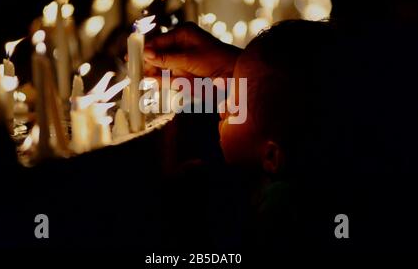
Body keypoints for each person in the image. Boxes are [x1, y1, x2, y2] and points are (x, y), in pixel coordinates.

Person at [144, 20, 343, 252]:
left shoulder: (282, 213)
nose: (222, 108)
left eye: (235, 107)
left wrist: (191, 216)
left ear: (272, 156)